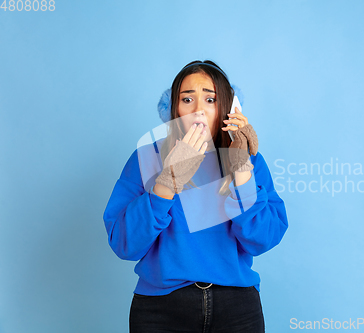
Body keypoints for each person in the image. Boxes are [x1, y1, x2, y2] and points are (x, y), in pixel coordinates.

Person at [103, 60, 288, 332]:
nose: (199, 110)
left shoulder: (248, 159)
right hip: (160, 309)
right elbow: (124, 244)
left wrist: (241, 169)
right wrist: (168, 180)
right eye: (187, 99)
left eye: (211, 99)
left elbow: (262, 239)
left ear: (228, 108)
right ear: (173, 110)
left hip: (237, 307)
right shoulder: (146, 158)